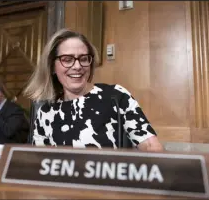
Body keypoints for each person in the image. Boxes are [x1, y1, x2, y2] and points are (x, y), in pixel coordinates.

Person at [24, 29, 163, 152]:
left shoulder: (116, 96)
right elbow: (39, 164)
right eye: (67, 59)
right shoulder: (45, 112)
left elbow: (151, 146)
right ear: (52, 67)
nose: (77, 66)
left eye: (84, 59)